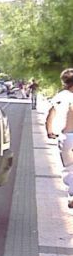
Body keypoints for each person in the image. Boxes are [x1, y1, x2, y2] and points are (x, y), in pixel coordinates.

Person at [45, 68, 73, 208]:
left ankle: (72, 194)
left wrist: (49, 131)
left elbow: (50, 115)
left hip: (66, 137)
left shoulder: (60, 96)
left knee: (69, 168)